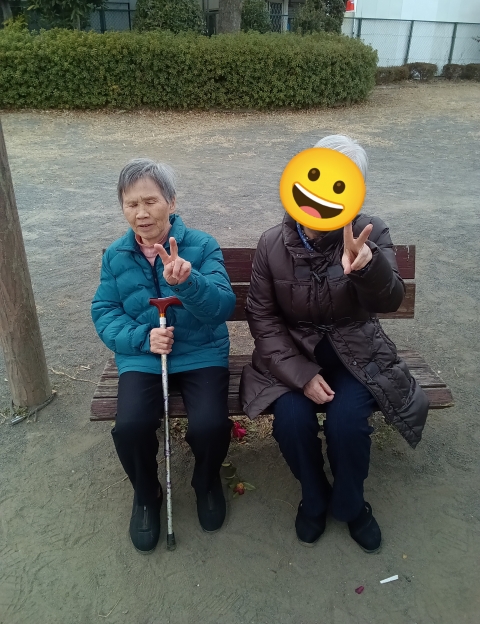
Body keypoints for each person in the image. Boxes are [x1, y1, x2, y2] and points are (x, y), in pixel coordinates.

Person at [240, 135, 429, 553]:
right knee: (291, 421)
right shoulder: (271, 243)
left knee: (346, 424)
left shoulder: (370, 231)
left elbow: (390, 299)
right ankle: (313, 496)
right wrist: (302, 375)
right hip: (292, 357)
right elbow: (263, 318)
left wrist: (367, 268)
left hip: (356, 355)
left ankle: (351, 504)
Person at [92, 159, 236, 554]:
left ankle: (206, 481)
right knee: (130, 426)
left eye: (150, 201)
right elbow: (104, 311)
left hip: (201, 350)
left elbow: (222, 308)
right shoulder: (116, 256)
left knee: (211, 425)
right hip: (143, 356)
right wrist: (143, 337)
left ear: (171, 202)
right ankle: (146, 493)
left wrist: (188, 283)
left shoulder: (202, 245)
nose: (141, 213)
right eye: (131, 204)